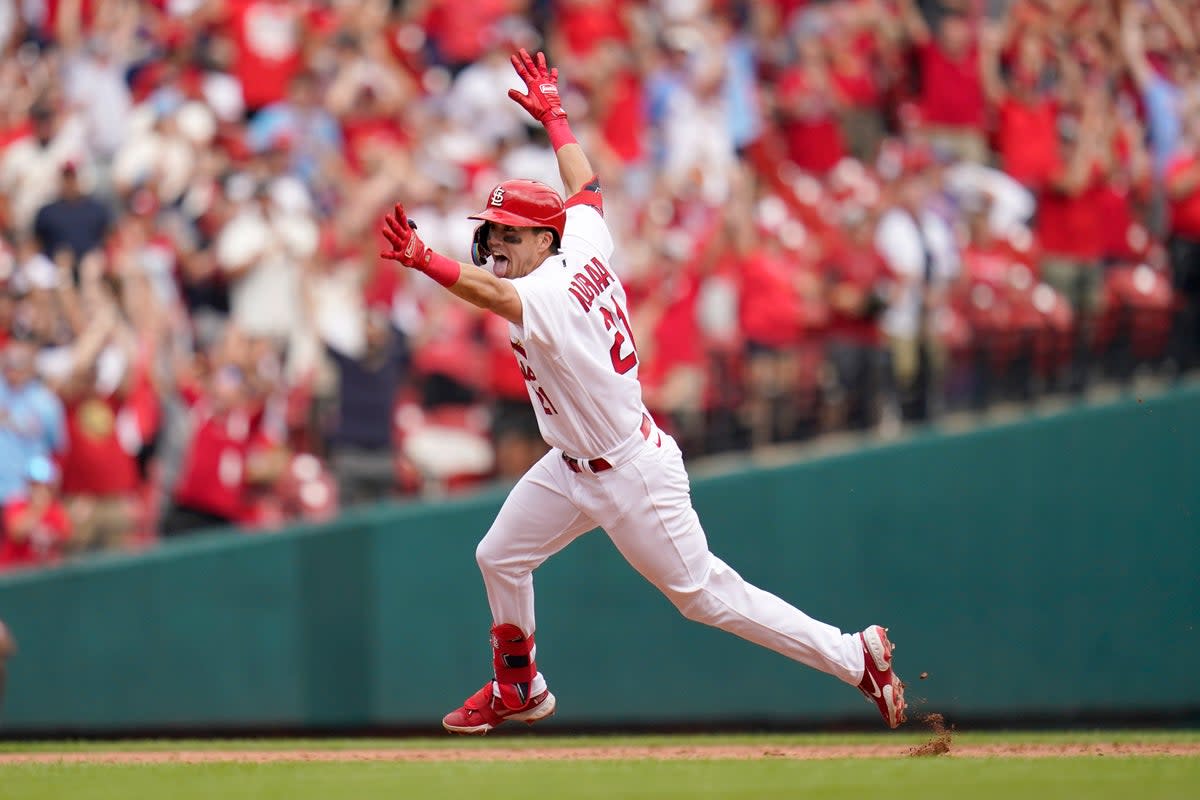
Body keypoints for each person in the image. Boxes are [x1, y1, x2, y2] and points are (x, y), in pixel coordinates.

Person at [379, 49, 906, 735]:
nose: (496, 241)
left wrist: (426, 259)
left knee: (706, 596)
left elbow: (487, 291)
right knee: (499, 555)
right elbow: (587, 186)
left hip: (628, 469)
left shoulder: (549, 289)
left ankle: (852, 655)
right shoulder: (586, 241)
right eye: (491, 231)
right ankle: (519, 687)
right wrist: (557, 118)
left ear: (543, 239)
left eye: (509, 233)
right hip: (571, 462)